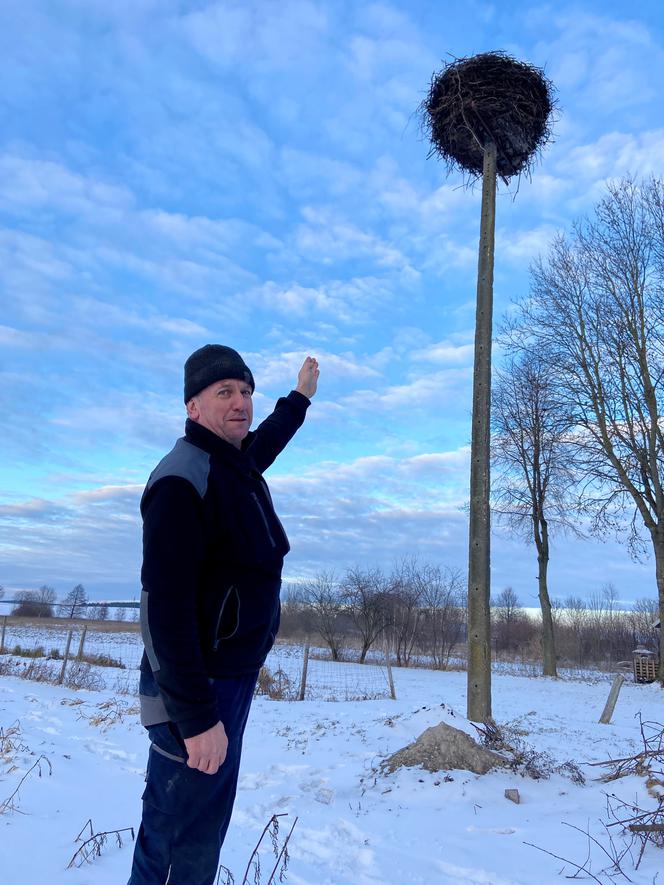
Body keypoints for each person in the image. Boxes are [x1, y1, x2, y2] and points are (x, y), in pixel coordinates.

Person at [128, 344, 319, 885]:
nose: (241, 403)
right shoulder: (181, 479)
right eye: (224, 393)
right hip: (194, 690)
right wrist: (196, 718)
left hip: (230, 679)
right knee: (172, 835)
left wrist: (299, 398)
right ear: (192, 406)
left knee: (204, 829)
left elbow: (268, 441)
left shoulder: (231, 463)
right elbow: (162, 610)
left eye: (246, 392)